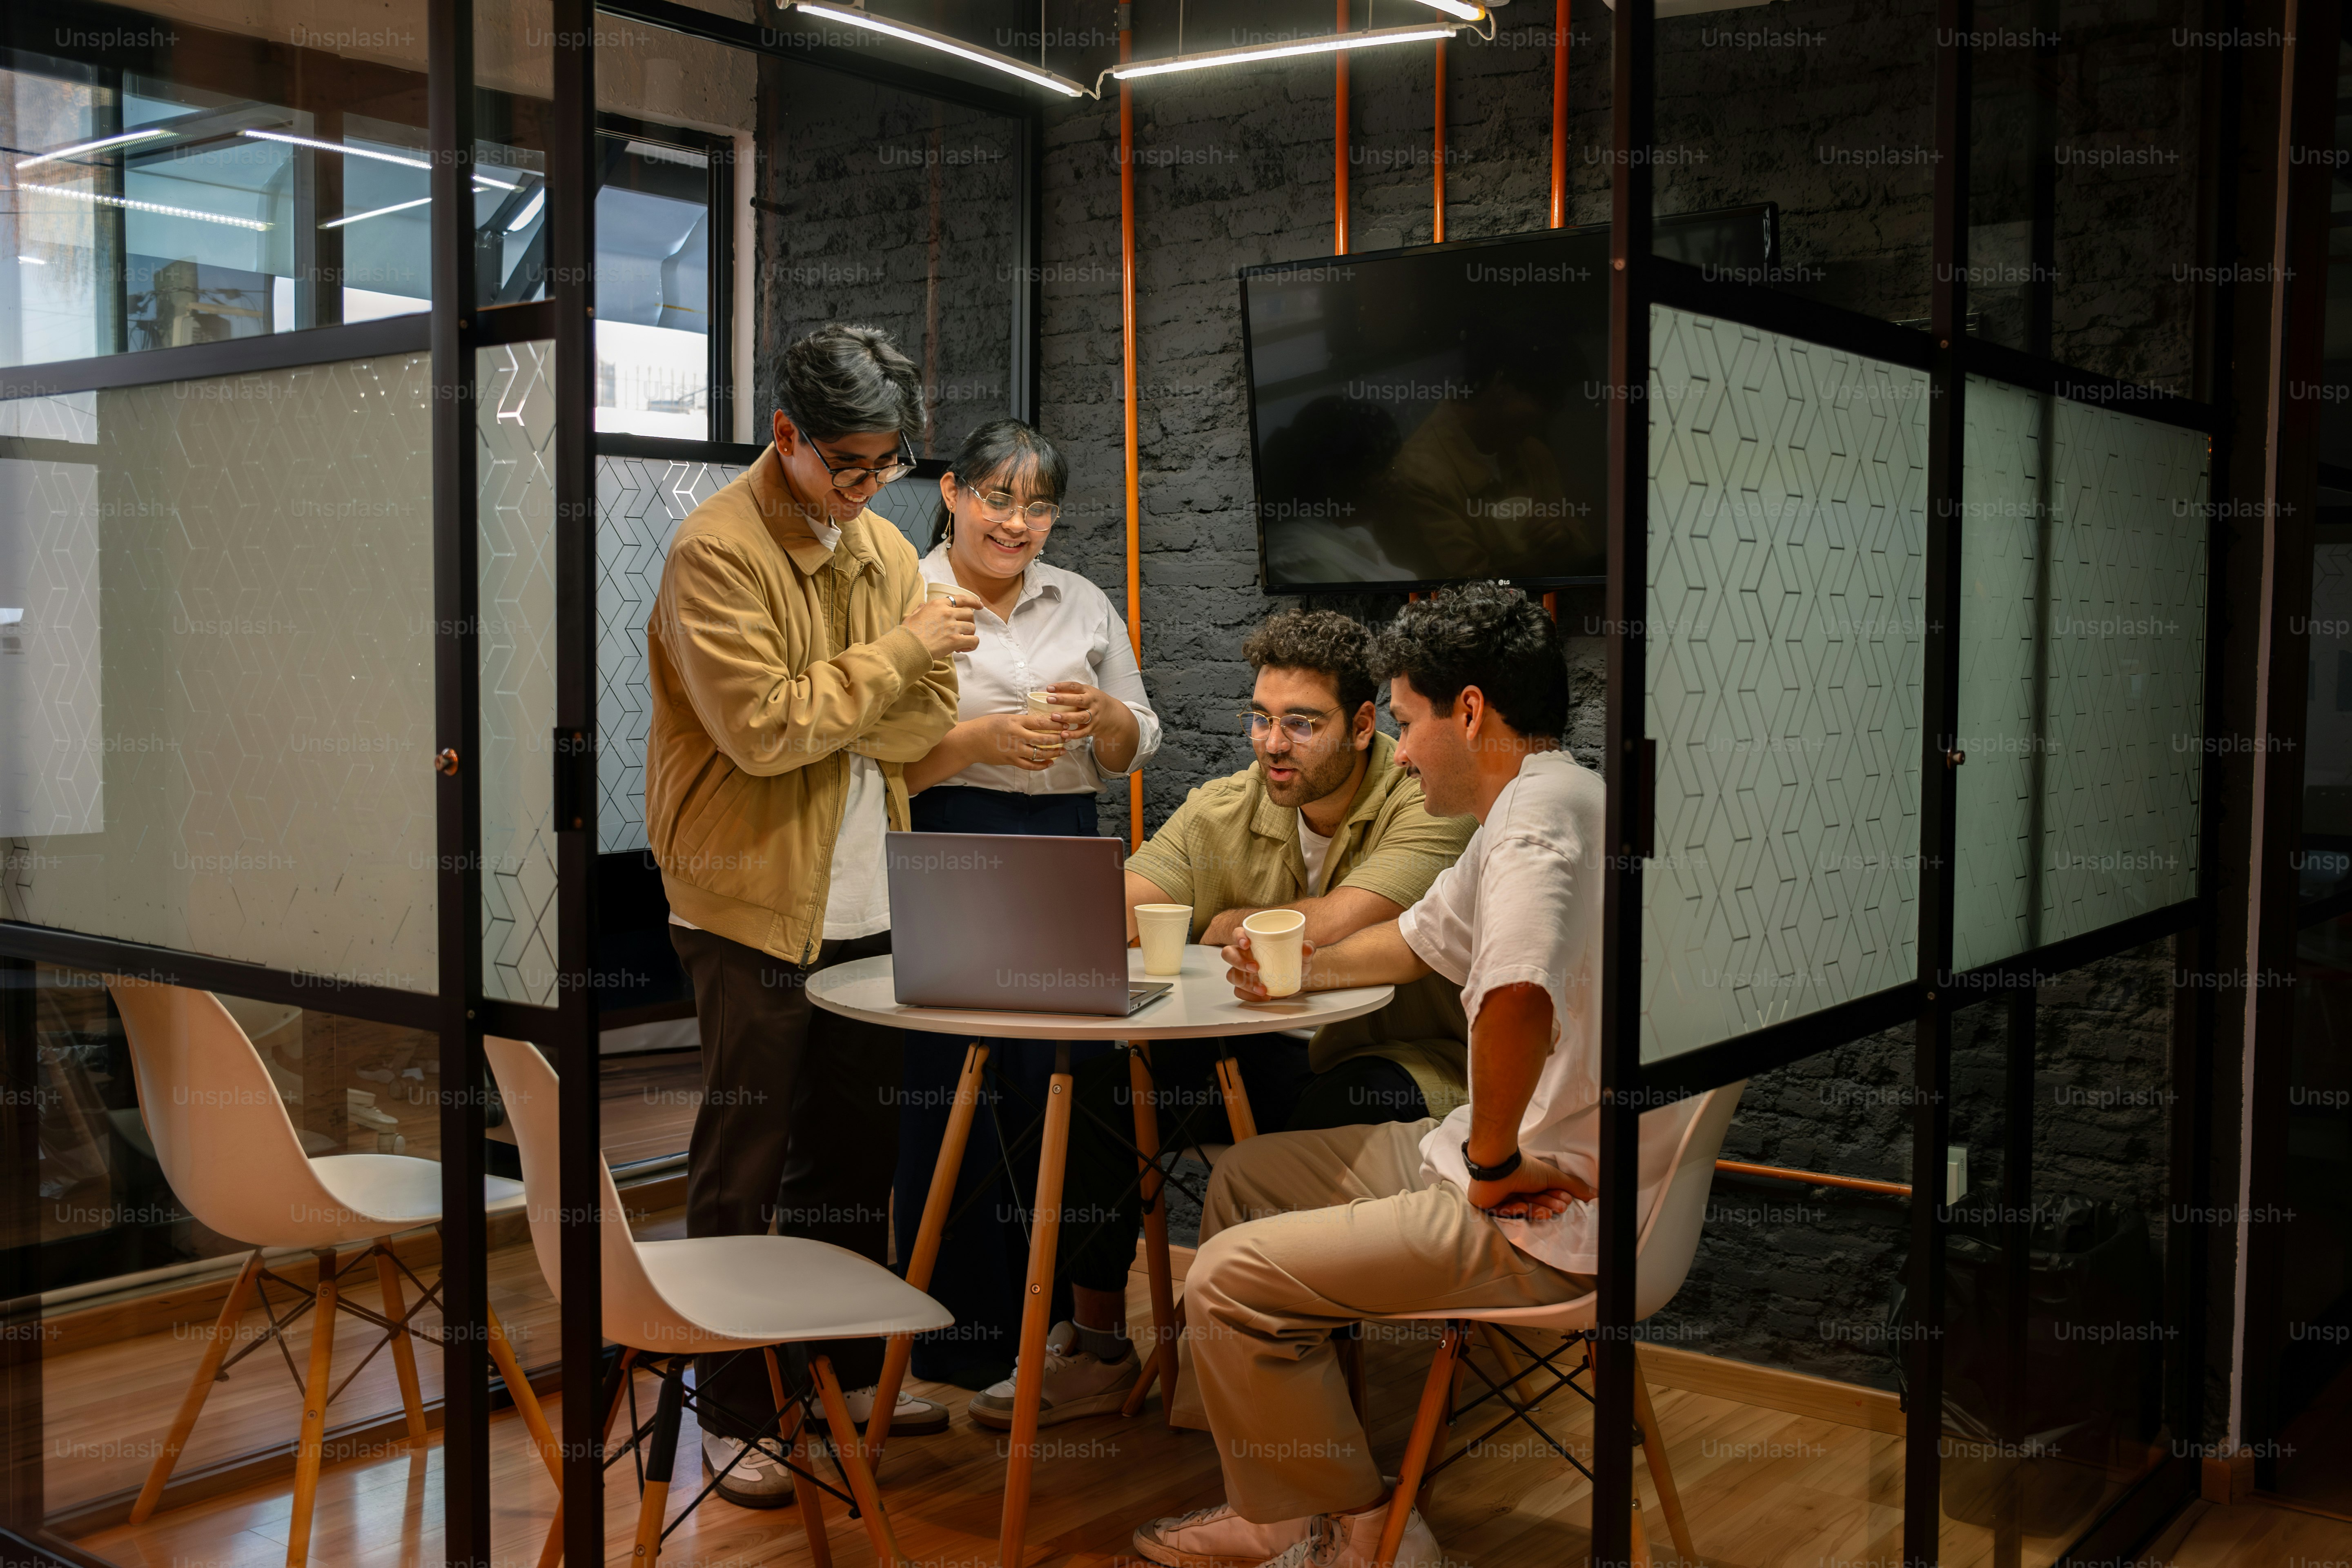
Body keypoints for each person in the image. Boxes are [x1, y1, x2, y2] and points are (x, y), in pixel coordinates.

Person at [1129, 583, 1702, 1568]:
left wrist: (1490, 1162)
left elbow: (1516, 994)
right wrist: (1293, 971)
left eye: (1403, 722)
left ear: (1469, 712)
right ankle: (1278, 1495)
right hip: (1558, 1176)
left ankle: (1363, 1533)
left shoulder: (1531, 826)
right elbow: (1413, 942)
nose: (1399, 750)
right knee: (1247, 1179)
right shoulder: (1555, 796)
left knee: (1222, 1277)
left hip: (1550, 1212)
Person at [963, 608, 1476, 1432]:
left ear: (1365, 725)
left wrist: (1222, 920)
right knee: (1097, 1083)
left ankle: (1296, 1381)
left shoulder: (1429, 796)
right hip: (1260, 1057)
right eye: (1263, 719)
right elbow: (1120, 905)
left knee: (1331, 1112)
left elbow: (1343, 917)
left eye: (1303, 724)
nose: (1274, 744)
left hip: (1412, 1060)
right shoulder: (1223, 807)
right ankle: (1097, 1349)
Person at [644, 323, 975, 1509]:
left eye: (888, 464)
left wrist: (874, 680)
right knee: (746, 1158)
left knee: (852, 1157)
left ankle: (837, 1385)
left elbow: (918, 725)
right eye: (847, 464)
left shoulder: (886, 543)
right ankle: (733, 1410)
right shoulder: (714, 552)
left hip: (868, 895)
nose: (868, 488)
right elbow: (763, 731)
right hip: (745, 905)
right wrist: (895, 656)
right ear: (785, 436)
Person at [890, 417, 1160, 1390]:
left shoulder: (1081, 602)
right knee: (950, 1082)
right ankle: (951, 1345)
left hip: (1063, 841)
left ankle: (1053, 1337)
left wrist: (1112, 718)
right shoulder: (902, 594)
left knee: (1061, 1080)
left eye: (1037, 506)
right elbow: (875, 757)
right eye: (998, 498)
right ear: (955, 492)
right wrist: (979, 744)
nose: (1017, 522)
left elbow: (1138, 742)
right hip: (949, 840)